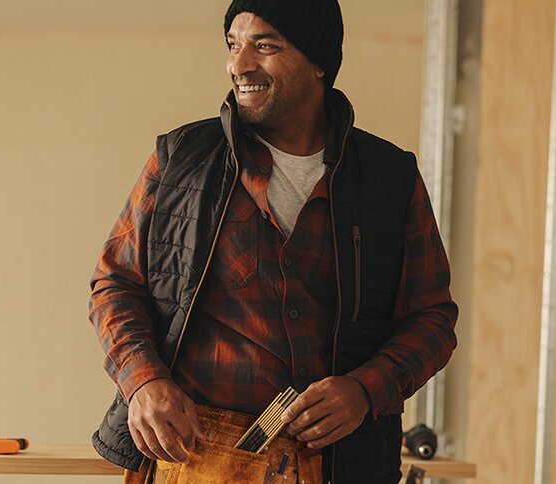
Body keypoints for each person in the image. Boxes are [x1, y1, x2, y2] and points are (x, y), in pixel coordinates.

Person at [89, 1, 458, 482]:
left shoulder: (390, 177)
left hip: (340, 464)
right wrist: (144, 381)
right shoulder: (180, 159)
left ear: (319, 62)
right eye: (233, 45)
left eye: (265, 46)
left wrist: (366, 389)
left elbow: (432, 319)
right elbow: (114, 284)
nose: (239, 65)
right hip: (195, 460)